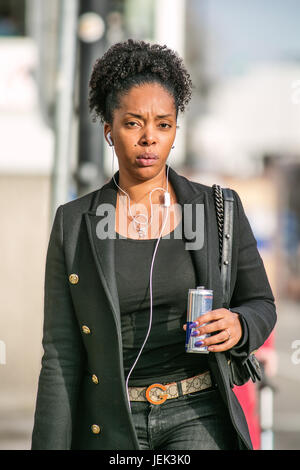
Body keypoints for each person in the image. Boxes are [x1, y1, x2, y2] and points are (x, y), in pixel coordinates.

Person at [31, 39, 277, 450]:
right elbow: (59, 353)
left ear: (175, 131)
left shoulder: (218, 208)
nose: (149, 138)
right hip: (110, 420)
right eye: (133, 123)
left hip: (197, 413)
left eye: (163, 124)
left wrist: (239, 325)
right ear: (108, 129)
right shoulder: (74, 224)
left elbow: (261, 304)